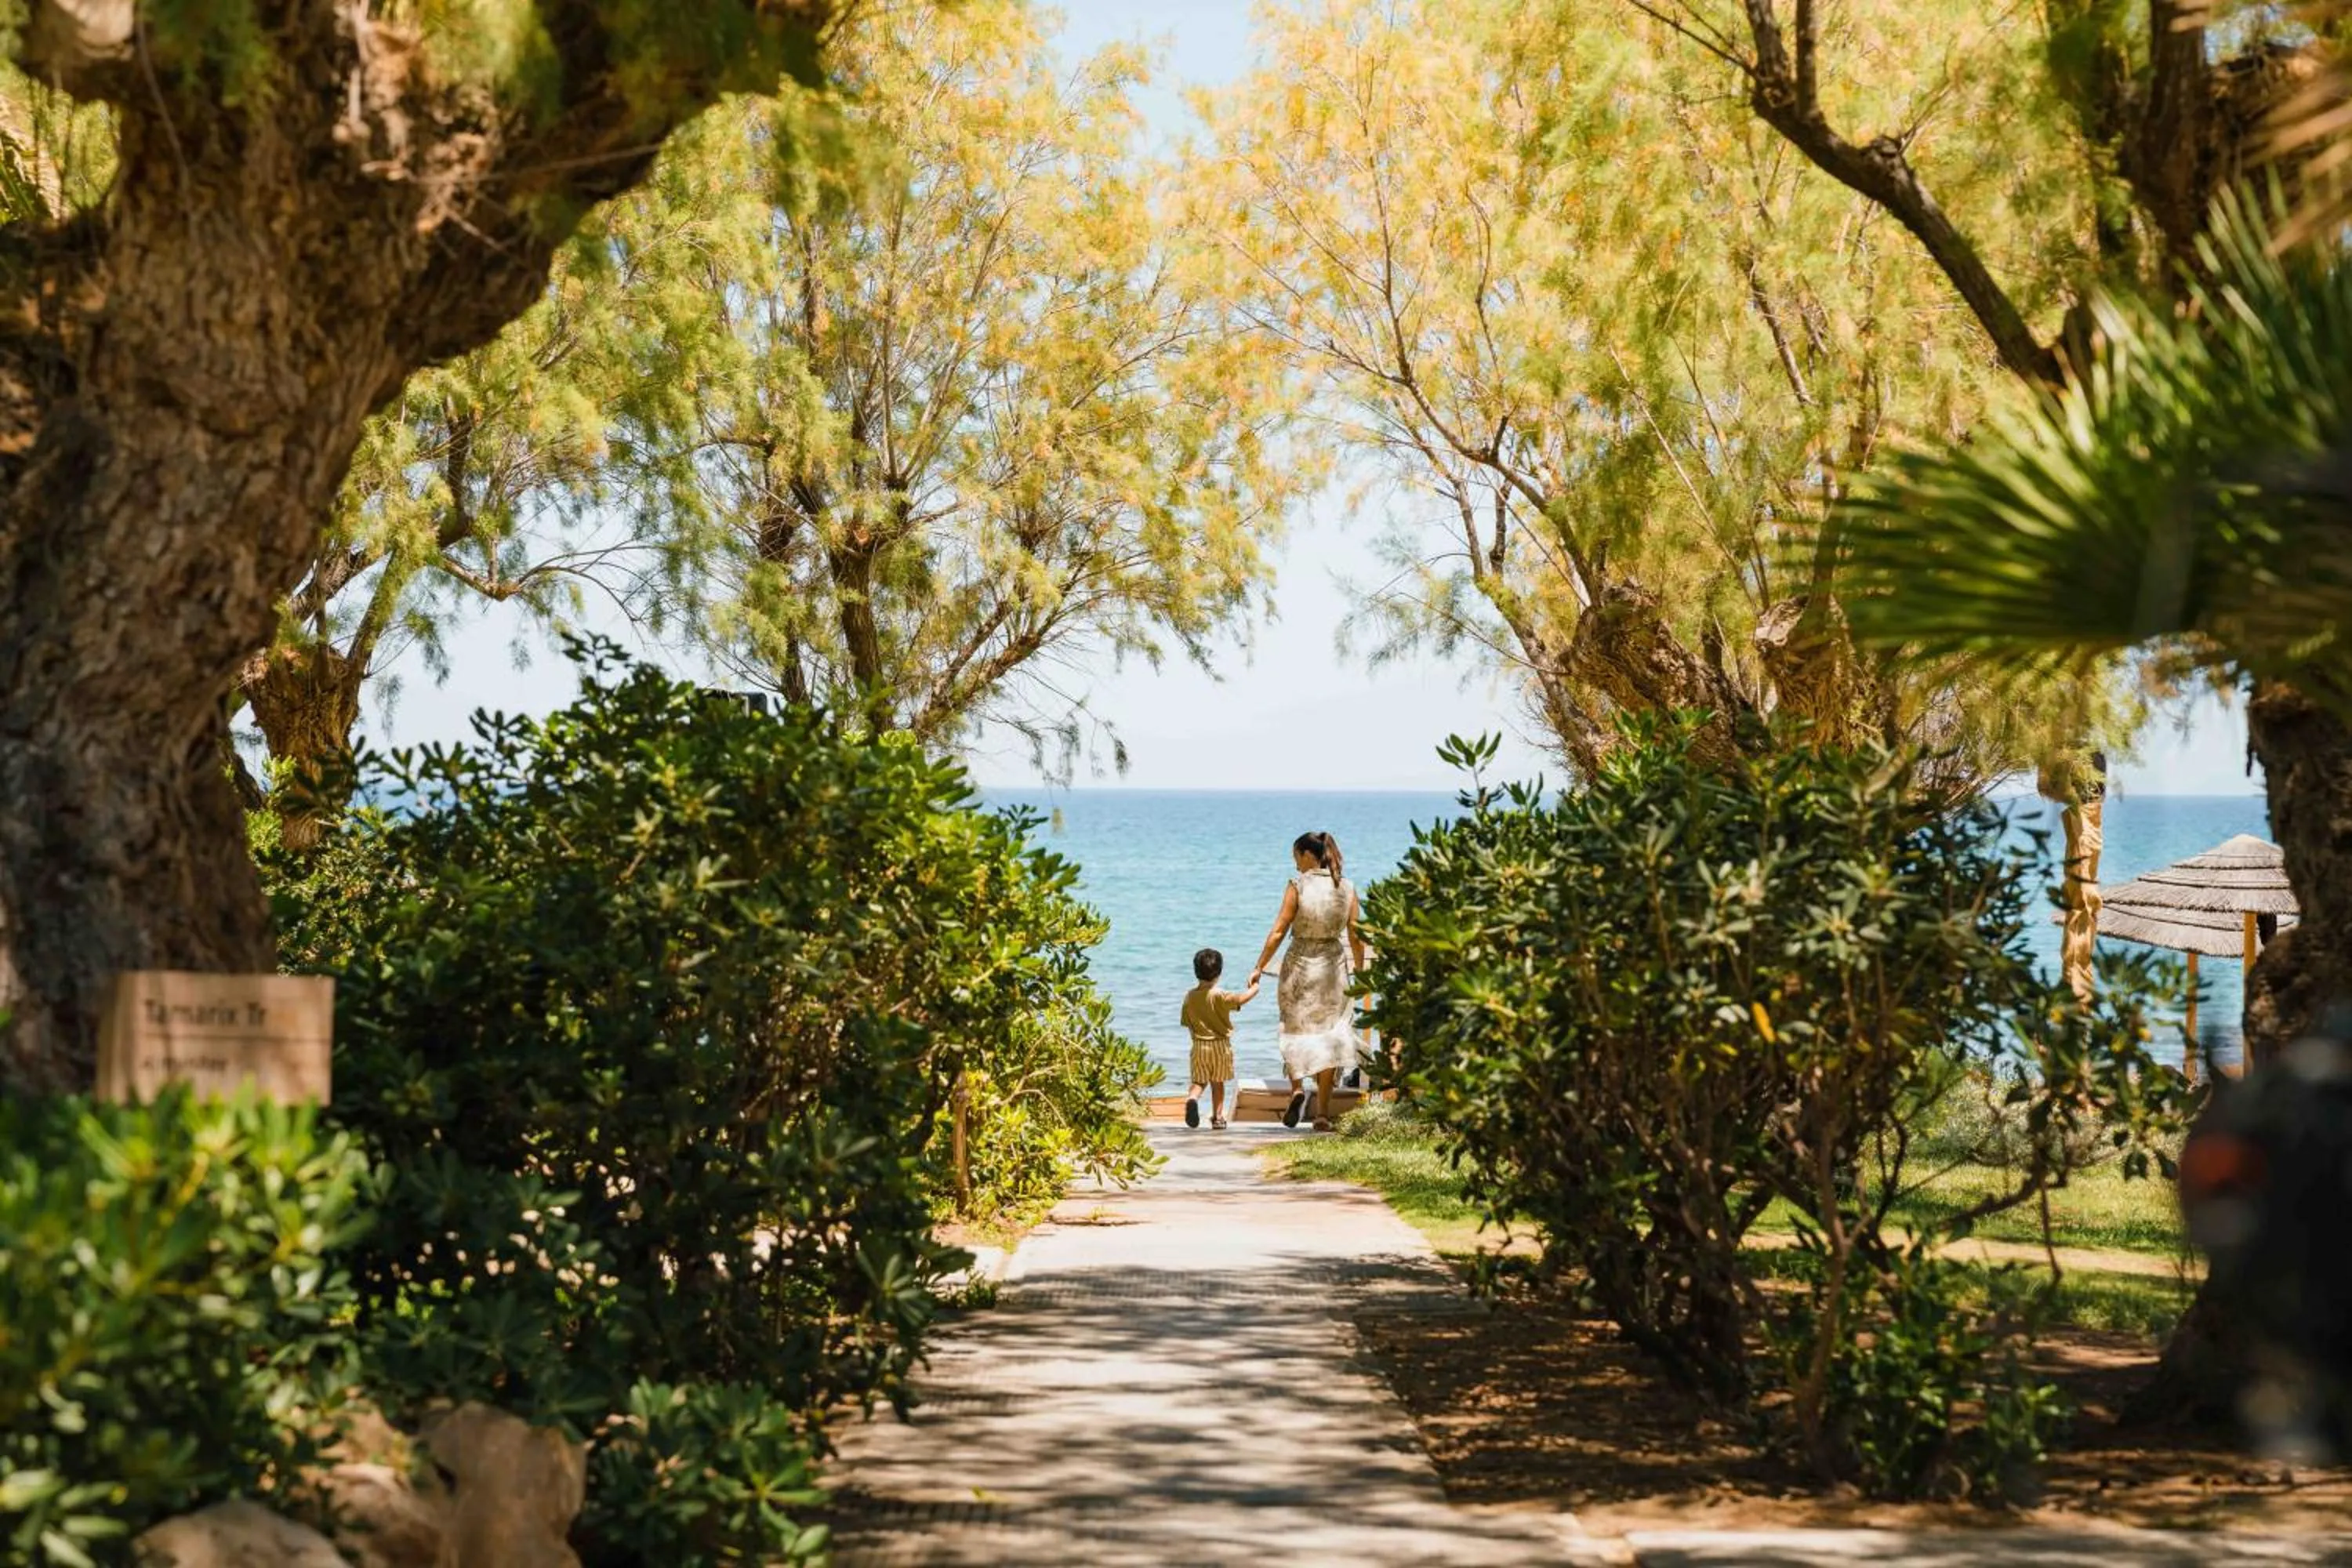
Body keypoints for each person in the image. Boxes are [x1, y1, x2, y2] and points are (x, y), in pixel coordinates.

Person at [1247, 830, 1366, 1131]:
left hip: (1299, 966)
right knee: (1330, 1037)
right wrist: (1362, 973)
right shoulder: (1348, 888)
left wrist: (1259, 966)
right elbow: (1355, 936)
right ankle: (1323, 1113)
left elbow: (1279, 931)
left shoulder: (1298, 886)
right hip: (1333, 970)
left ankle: (1297, 1089)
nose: (1296, 864)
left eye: (1296, 857)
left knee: (1293, 1030)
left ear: (1307, 855)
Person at [1180, 948, 1258, 1130]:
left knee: (1199, 1082)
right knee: (1218, 1083)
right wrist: (1255, 988)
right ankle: (1218, 1118)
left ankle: (1192, 1099)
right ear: (1219, 973)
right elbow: (1241, 999)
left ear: (1196, 972)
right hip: (1220, 1046)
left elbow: (1188, 1022)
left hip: (1199, 1045)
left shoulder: (1190, 996)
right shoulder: (1220, 995)